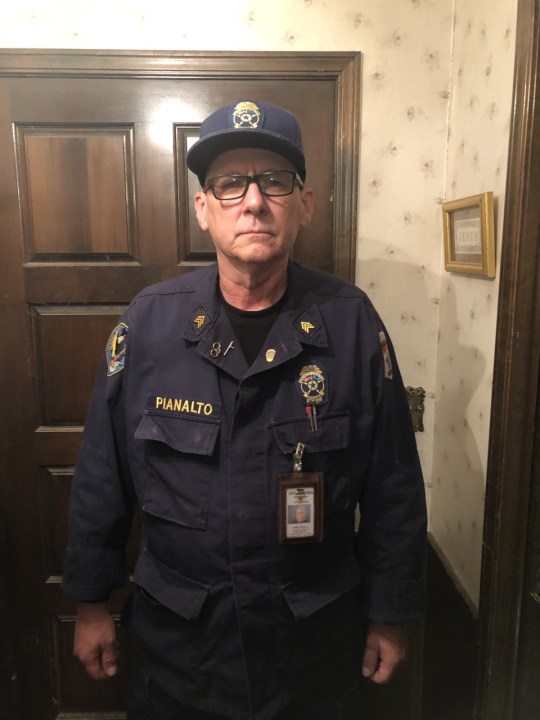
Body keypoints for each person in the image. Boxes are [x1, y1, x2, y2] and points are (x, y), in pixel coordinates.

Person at [62, 99, 427, 720]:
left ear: (303, 205)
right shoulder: (148, 324)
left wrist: (389, 613)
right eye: (230, 183)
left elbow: (393, 483)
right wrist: (91, 601)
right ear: (202, 208)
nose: (253, 201)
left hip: (312, 652)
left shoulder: (352, 323)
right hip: (181, 652)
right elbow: (103, 473)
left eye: (274, 181)